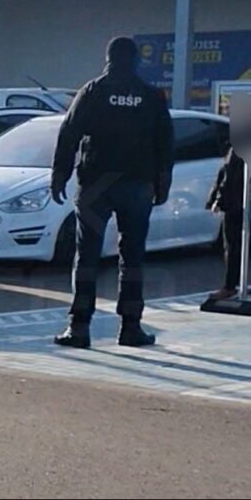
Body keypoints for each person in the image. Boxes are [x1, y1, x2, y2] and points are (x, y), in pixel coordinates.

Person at [51, 36, 174, 348]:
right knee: (132, 258)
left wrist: (59, 175)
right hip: (137, 185)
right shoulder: (150, 95)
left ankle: (79, 327)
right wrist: (163, 182)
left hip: (96, 185)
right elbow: (165, 141)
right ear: (136, 61)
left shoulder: (93, 90)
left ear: (108, 59)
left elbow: (69, 133)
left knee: (87, 256)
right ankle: (130, 327)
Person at [206, 146, 246, 300]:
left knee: (233, 245)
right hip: (238, 201)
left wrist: (218, 199)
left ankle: (230, 286)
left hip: (237, 203)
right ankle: (232, 285)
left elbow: (229, 174)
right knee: (235, 245)